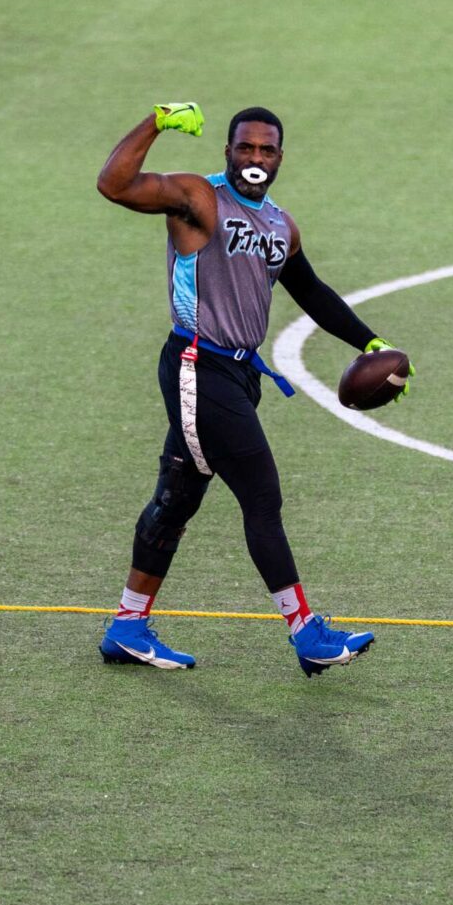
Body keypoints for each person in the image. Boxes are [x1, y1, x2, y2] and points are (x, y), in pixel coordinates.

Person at [94, 102, 414, 677]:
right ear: (227, 151)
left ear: (280, 158)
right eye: (246, 148)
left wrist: (371, 345)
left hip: (237, 374)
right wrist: (156, 121)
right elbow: (114, 185)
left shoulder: (278, 225)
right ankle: (305, 633)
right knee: (262, 498)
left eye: (267, 150)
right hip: (199, 367)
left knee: (176, 501)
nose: (256, 159)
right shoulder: (197, 198)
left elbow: (311, 290)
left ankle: (127, 625)